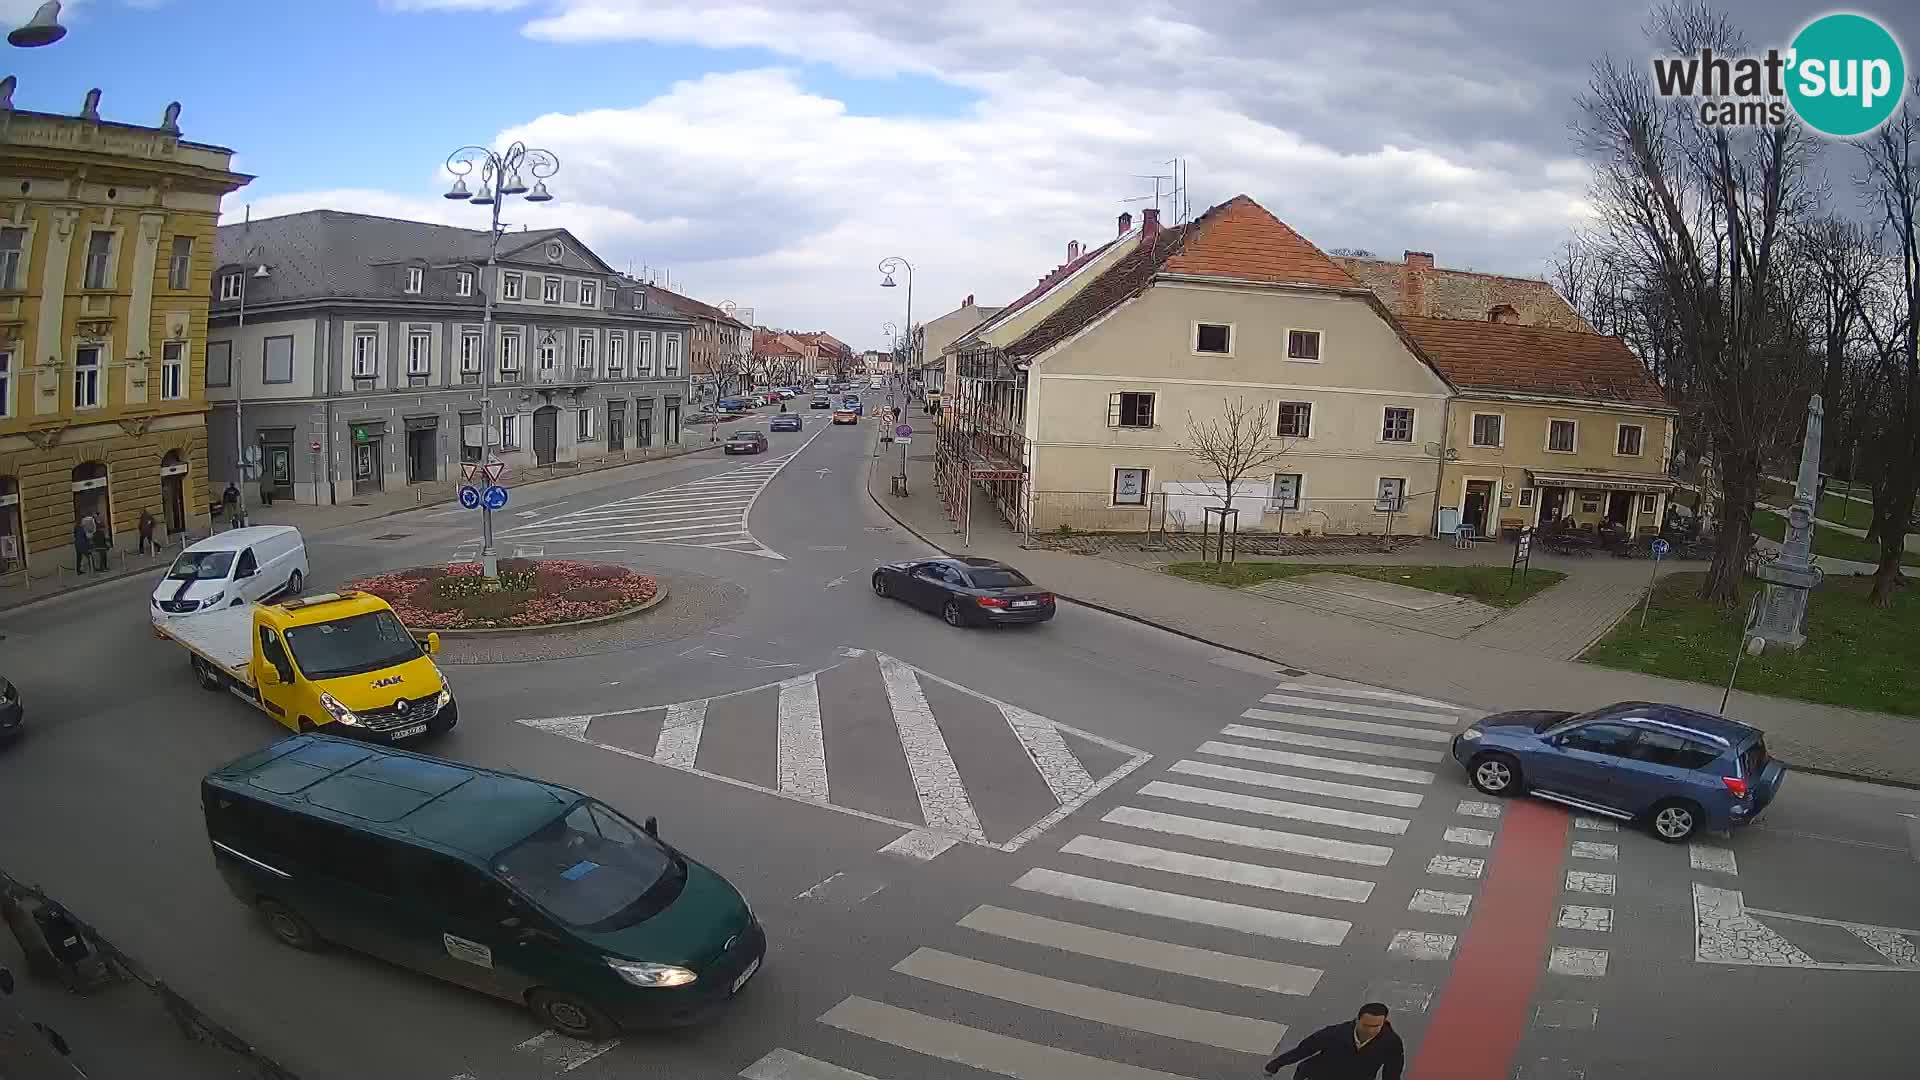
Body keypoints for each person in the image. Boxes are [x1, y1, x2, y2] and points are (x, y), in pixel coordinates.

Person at [1264, 1003, 1403, 1079]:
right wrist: (1274, 1065)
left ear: (1384, 1022)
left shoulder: (1391, 1043)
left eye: (1376, 1026)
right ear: (1357, 1020)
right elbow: (1303, 1050)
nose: (1370, 1030)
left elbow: (1392, 1072)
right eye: (1366, 1025)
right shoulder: (1334, 1034)